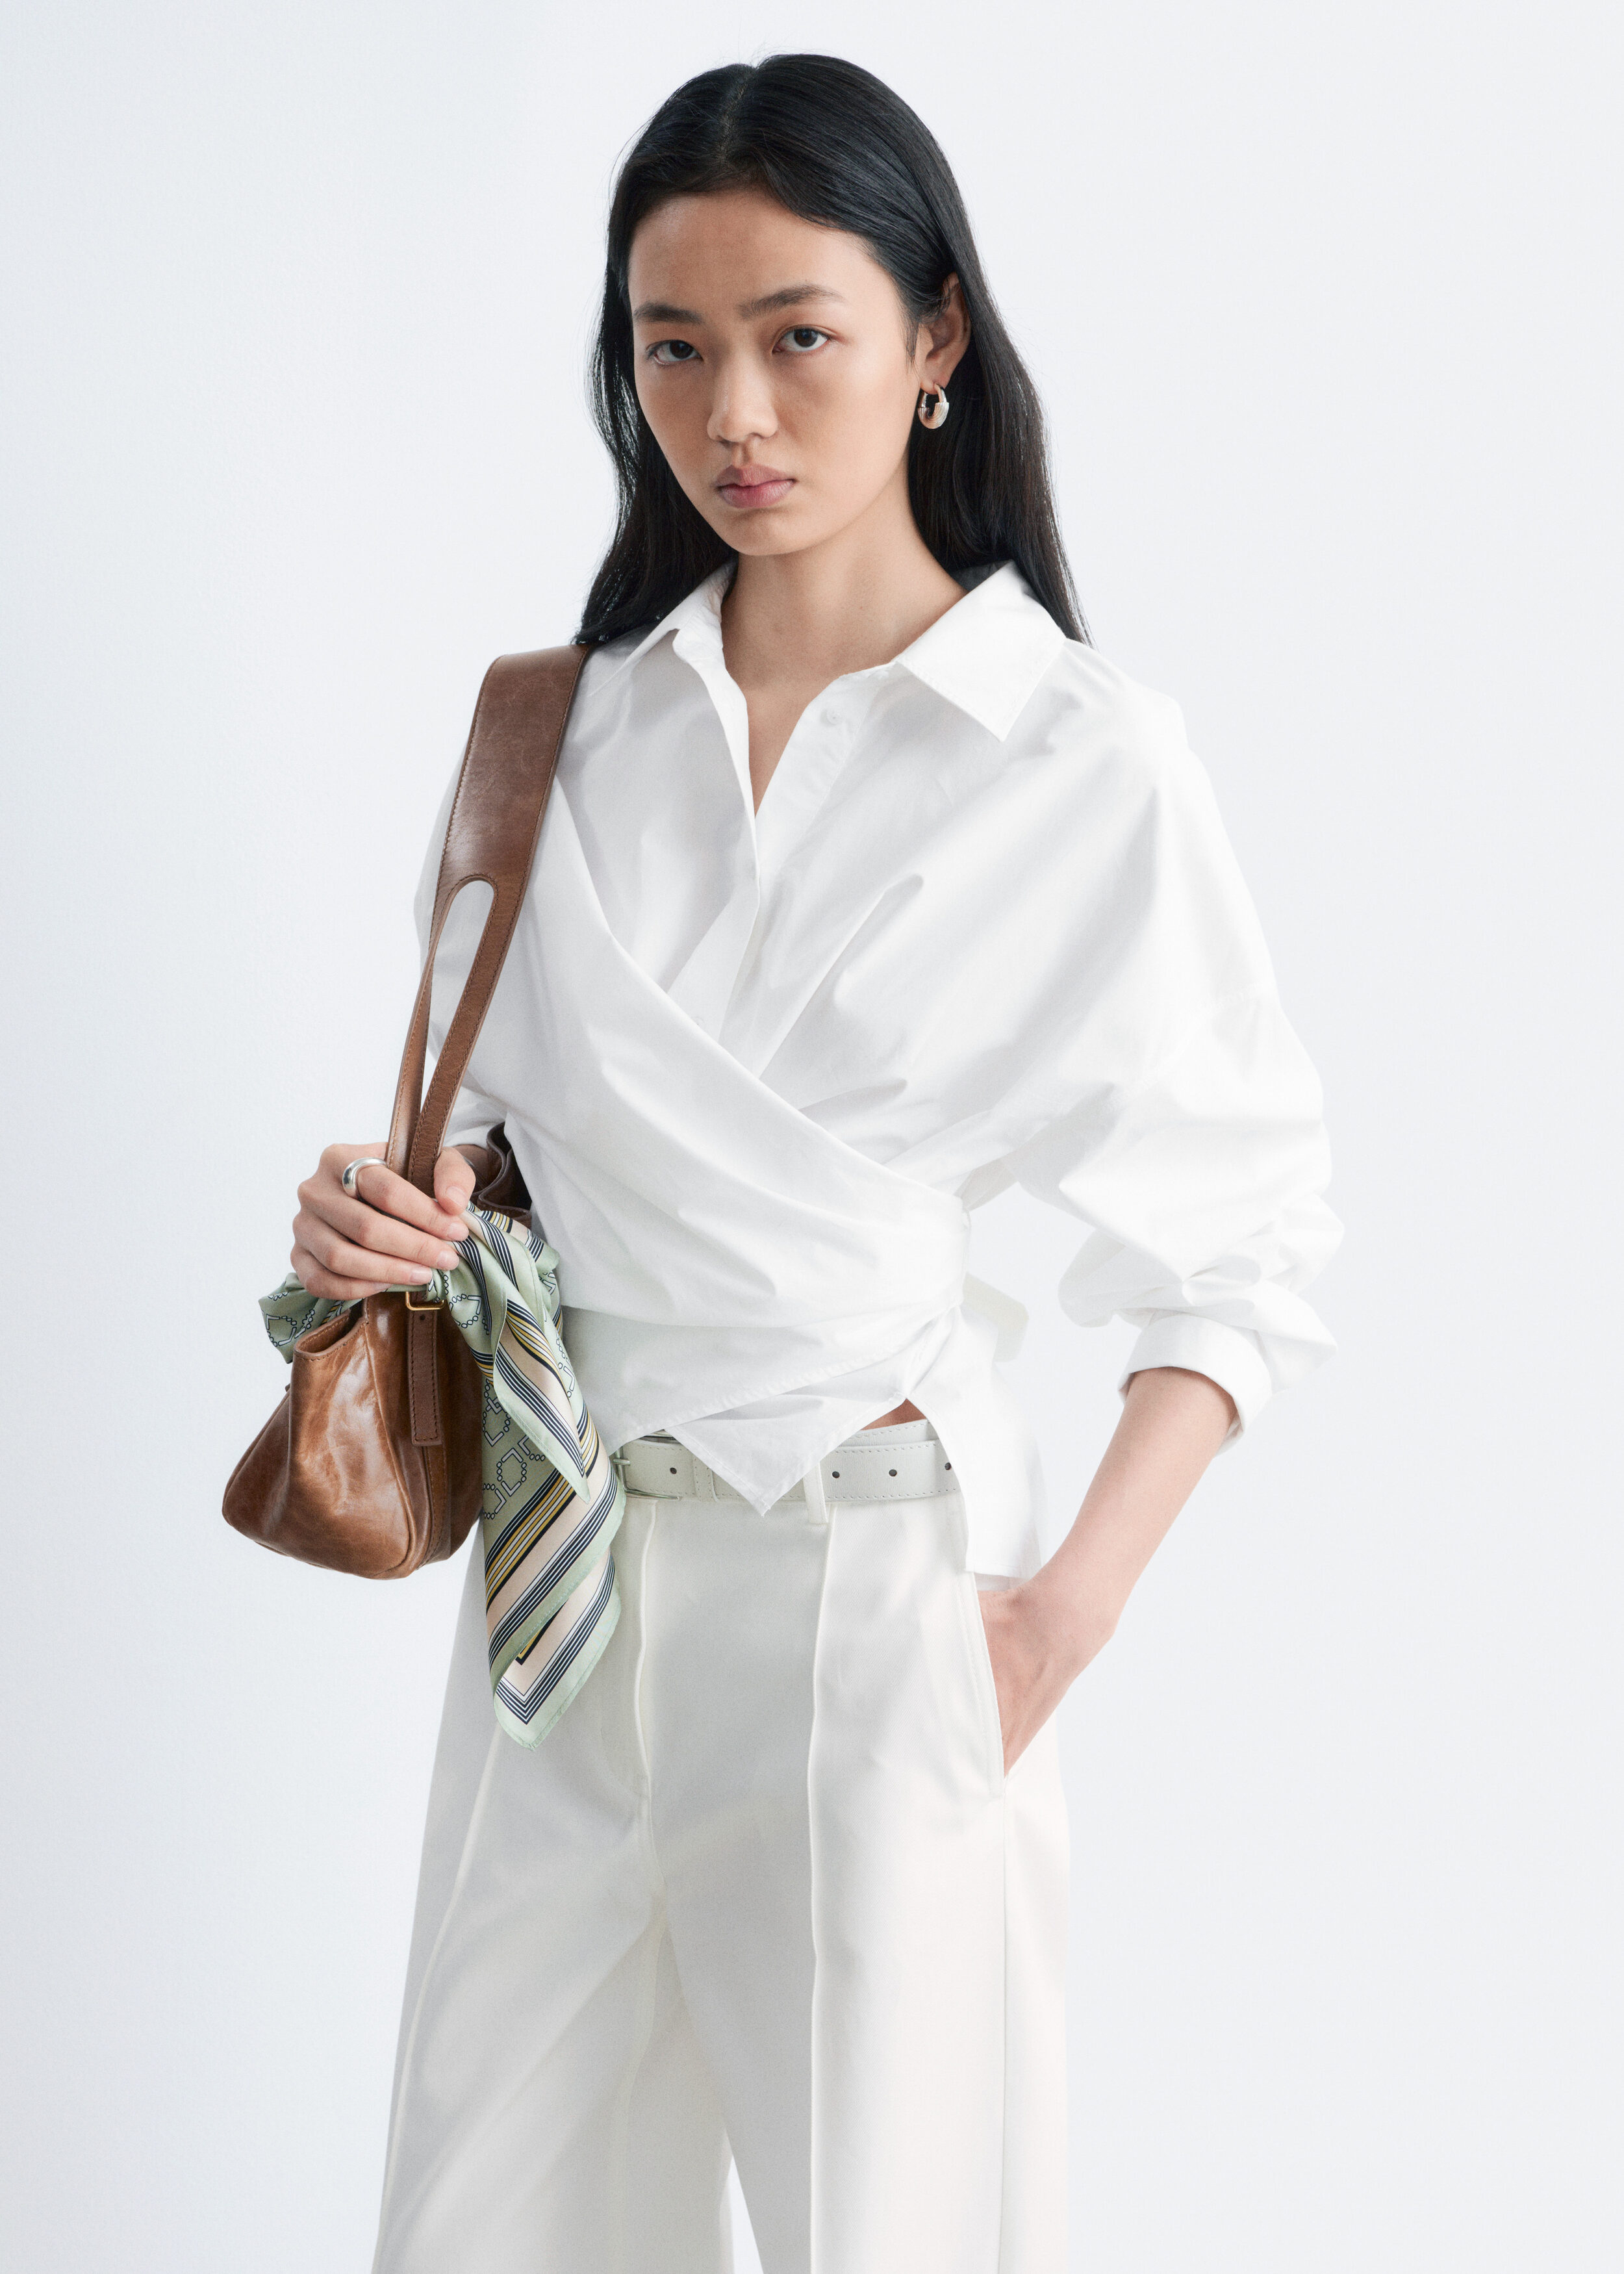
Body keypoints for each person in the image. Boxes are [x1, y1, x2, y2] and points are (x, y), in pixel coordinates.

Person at [287, 53, 1339, 2274]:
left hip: (875, 1600)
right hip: (557, 1609)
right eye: (672, 348)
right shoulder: (555, 732)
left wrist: (1055, 1622)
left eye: (798, 336)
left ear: (934, 338)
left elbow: (1244, 1246)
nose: (733, 412)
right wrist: (384, 1223)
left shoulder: (1078, 760)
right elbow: (497, 1171)